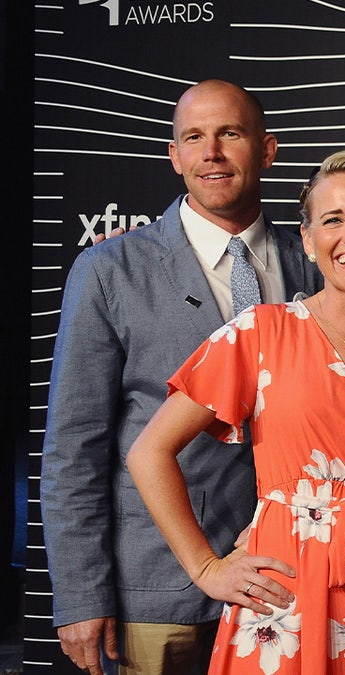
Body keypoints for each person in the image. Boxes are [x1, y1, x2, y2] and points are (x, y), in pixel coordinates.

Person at [125, 149, 345, 674]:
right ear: (308, 241)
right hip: (285, 593)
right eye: (333, 220)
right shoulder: (260, 333)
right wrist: (206, 568)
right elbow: (149, 452)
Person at [41, 79, 323, 675]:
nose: (211, 152)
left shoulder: (319, 266)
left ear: (267, 150)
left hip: (291, 576)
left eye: (230, 134)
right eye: (194, 137)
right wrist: (80, 595)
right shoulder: (109, 271)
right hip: (157, 590)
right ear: (175, 157)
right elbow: (74, 447)